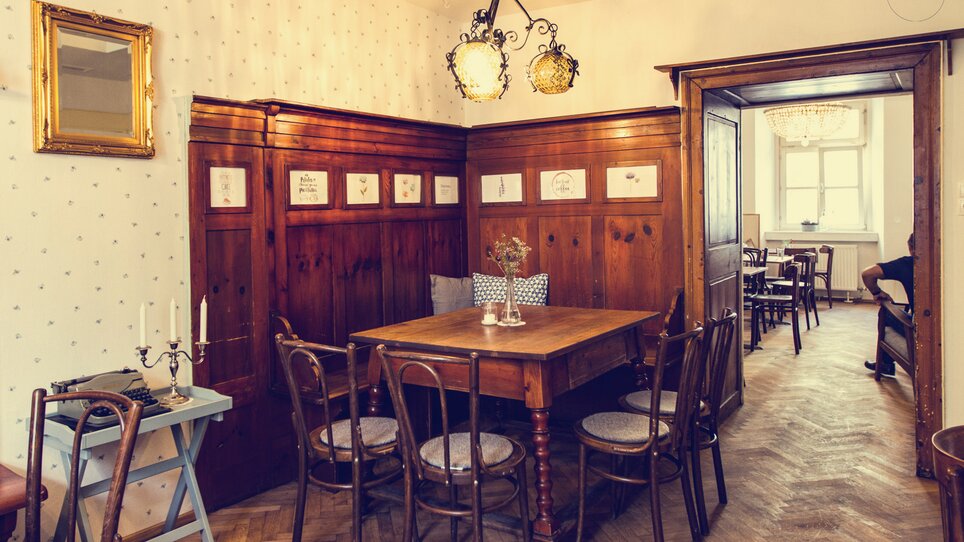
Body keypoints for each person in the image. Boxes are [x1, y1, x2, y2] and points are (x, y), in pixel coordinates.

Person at [862, 233, 914, 378]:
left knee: (886, 312)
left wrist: (877, 292)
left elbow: (867, 274)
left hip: (918, 329)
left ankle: (885, 364)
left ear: (911, 248)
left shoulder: (907, 263)